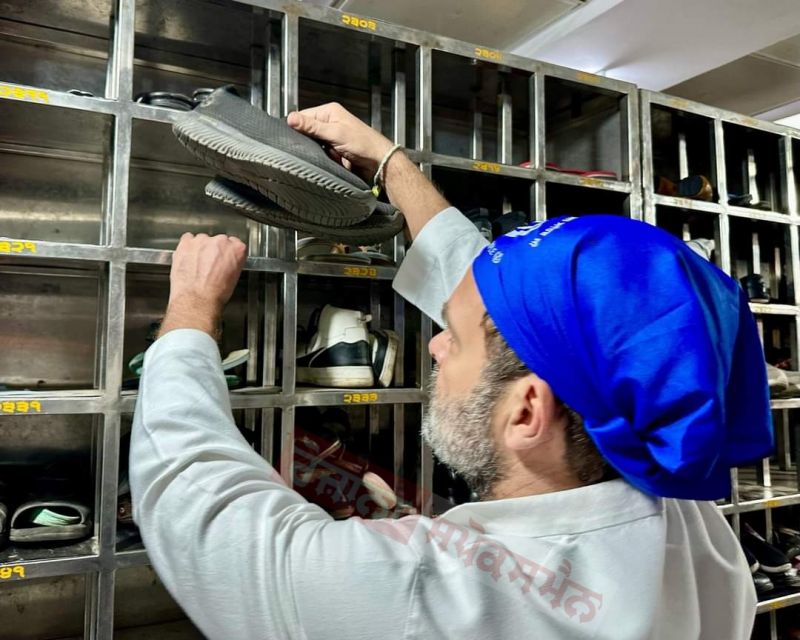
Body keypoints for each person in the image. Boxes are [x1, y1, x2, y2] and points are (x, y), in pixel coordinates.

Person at [130, 103, 773, 639]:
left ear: (527, 411)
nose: (435, 346)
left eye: (455, 341)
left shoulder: (415, 594)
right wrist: (391, 165)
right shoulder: (696, 537)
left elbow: (196, 497)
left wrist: (192, 308)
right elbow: (516, 320)